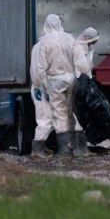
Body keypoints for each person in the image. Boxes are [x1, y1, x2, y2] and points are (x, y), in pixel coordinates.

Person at [36, 14, 76, 156]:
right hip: (71, 78)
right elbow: (78, 58)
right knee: (70, 110)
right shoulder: (70, 38)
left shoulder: (45, 41)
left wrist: (44, 85)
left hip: (55, 80)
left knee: (59, 113)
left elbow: (41, 67)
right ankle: (73, 145)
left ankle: (65, 149)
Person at [72, 27, 99, 156]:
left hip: (84, 84)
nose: (93, 44)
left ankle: (83, 148)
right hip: (79, 84)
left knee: (84, 116)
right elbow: (83, 68)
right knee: (79, 116)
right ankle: (78, 148)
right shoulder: (78, 49)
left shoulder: (86, 48)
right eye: (92, 42)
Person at [29, 38, 54, 158]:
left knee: (47, 119)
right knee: (45, 120)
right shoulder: (45, 48)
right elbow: (42, 70)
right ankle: (37, 150)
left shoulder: (37, 46)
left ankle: (41, 147)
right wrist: (47, 88)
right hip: (43, 88)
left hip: (40, 86)